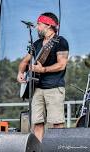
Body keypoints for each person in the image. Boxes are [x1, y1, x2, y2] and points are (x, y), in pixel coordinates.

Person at [17, 12, 69, 142]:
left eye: (39, 24)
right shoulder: (37, 43)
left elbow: (62, 65)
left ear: (49, 25)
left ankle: (58, 148)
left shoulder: (60, 41)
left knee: (57, 123)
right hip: (36, 88)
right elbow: (24, 61)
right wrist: (20, 73)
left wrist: (43, 69)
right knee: (37, 123)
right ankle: (37, 149)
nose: (37, 27)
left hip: (54, 87)